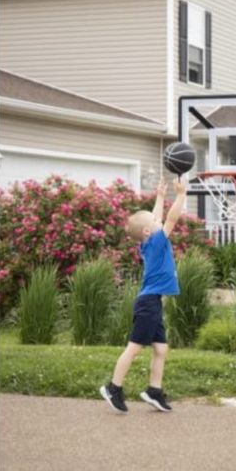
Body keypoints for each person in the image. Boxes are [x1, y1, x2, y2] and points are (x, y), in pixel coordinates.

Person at [100, 176, 186, 413]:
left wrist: (159, 197)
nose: (158, 220)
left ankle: (153, 391)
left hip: (152, 301)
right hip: (148, 304)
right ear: (149, 230)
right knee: (134, 348)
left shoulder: (149, 241)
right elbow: (170, 219)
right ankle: (113, 388)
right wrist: (180, 196)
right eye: (154, 221)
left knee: (160, 349)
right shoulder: (157, 241)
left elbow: (156, 219)